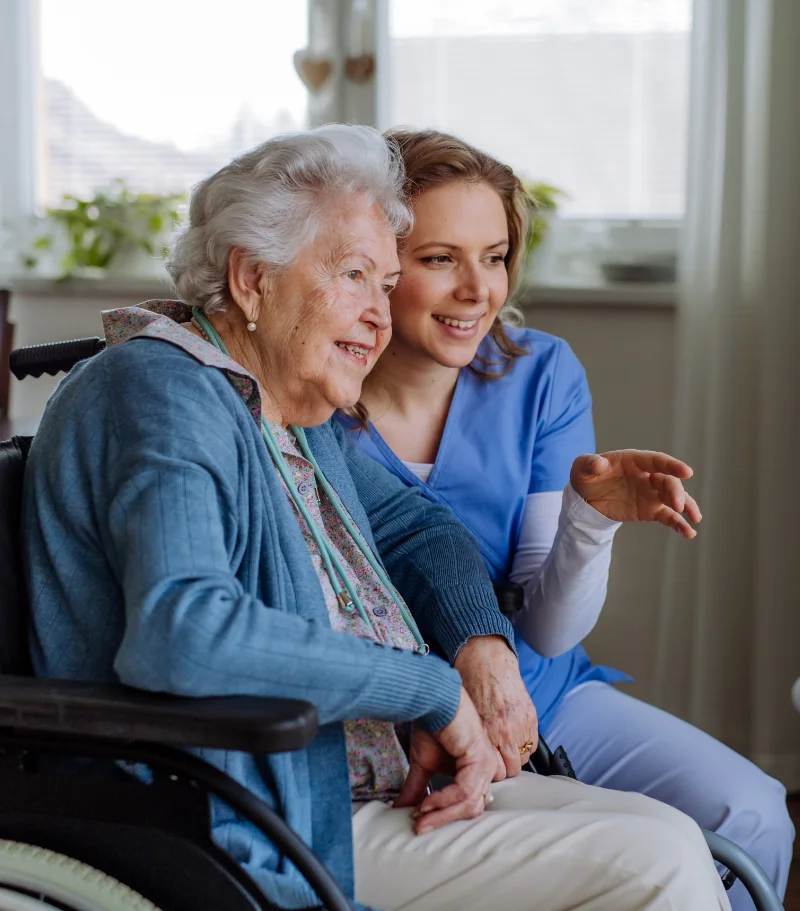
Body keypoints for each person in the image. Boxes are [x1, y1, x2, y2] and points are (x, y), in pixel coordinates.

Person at [23, 125, 731, 911]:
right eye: (355, 276)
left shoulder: (289, 413)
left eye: (386, 282)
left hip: (365, 782)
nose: (379, 317)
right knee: (656, 863)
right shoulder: (162, 391)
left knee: (677, 838)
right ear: (254, 280)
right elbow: (183, 630)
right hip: (252, 811)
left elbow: (417, 528)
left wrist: (479, 647)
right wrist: (426, 690)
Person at [338, 128, 794, 911]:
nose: (479, 289)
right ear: (374, 261)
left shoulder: (538, 373)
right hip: (390, 720)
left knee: (749, 813)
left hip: (541, 694)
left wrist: (591, 519)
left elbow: (548, 632)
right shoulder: (312, 390)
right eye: (440, 258)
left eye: (496, 255)